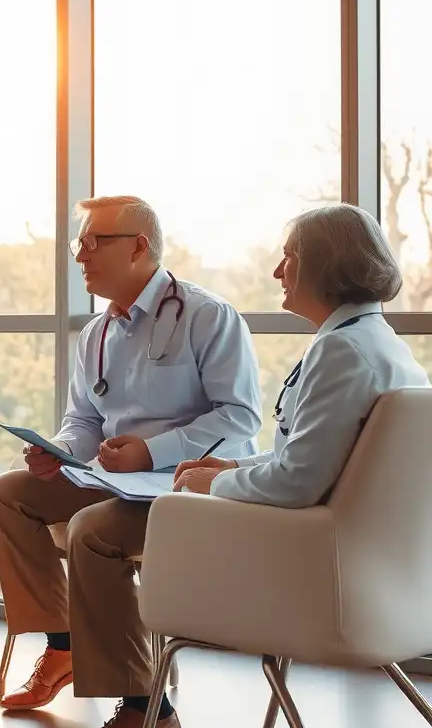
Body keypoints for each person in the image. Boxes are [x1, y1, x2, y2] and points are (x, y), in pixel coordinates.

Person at [0, 195, 262, 728]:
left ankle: (148, 712)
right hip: (117, 480)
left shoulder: (207, 316)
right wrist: (59, 453)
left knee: (91, 532)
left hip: (188, 488)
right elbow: (85, 419)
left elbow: (239, 417)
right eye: (77, 244)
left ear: (139, 247)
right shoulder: (96, 333)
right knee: (8, 493)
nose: (80, 254)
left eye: (93, 242)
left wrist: (152, 451)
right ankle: (63, 647)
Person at [174, 204, 429, 506]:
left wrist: (216, 482)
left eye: (289, 256)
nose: (277, 271)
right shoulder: (378, 340)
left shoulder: (341, 350)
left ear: (324, 264)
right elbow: (306, 456)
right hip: (349, 535)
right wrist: (234, 467)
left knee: (166, 508)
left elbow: (297, 482)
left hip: (307, 536)